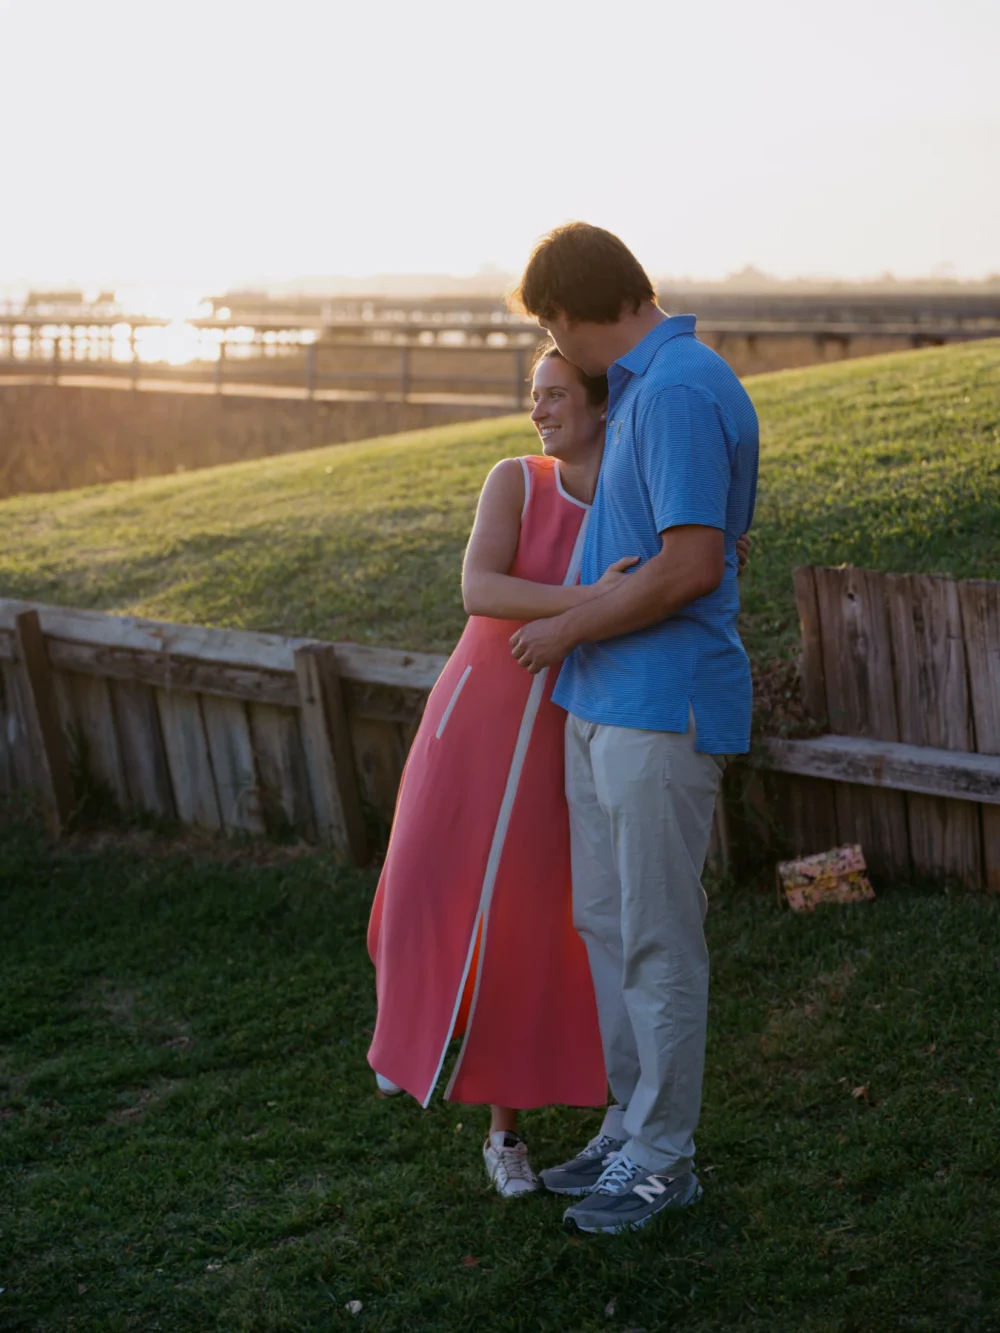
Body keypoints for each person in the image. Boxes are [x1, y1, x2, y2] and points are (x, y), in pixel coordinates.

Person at [366, 340, 751, 1199]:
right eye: (532, 393)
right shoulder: (515, 479)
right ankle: (406, 1031)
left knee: (537, 923)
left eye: (553, 393)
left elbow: (694, 561)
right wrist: (592, 600)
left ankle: (525, 1125)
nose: (536, 409)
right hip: (479, 714)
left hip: (568, 720)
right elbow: (480, 590)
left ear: (602, 403)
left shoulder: (633, 489)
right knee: (424, 876)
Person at [509, 223, 759, 1234]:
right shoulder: (642, 391)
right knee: (608, 930)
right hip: (602, 701)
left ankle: (664, 1159)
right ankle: (627, 1125)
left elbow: (692, 565)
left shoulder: (681, 388)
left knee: (657, 941)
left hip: (661, 707)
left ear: (573, 311)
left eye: (549, 323)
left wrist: (565, 627)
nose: (553, 343)